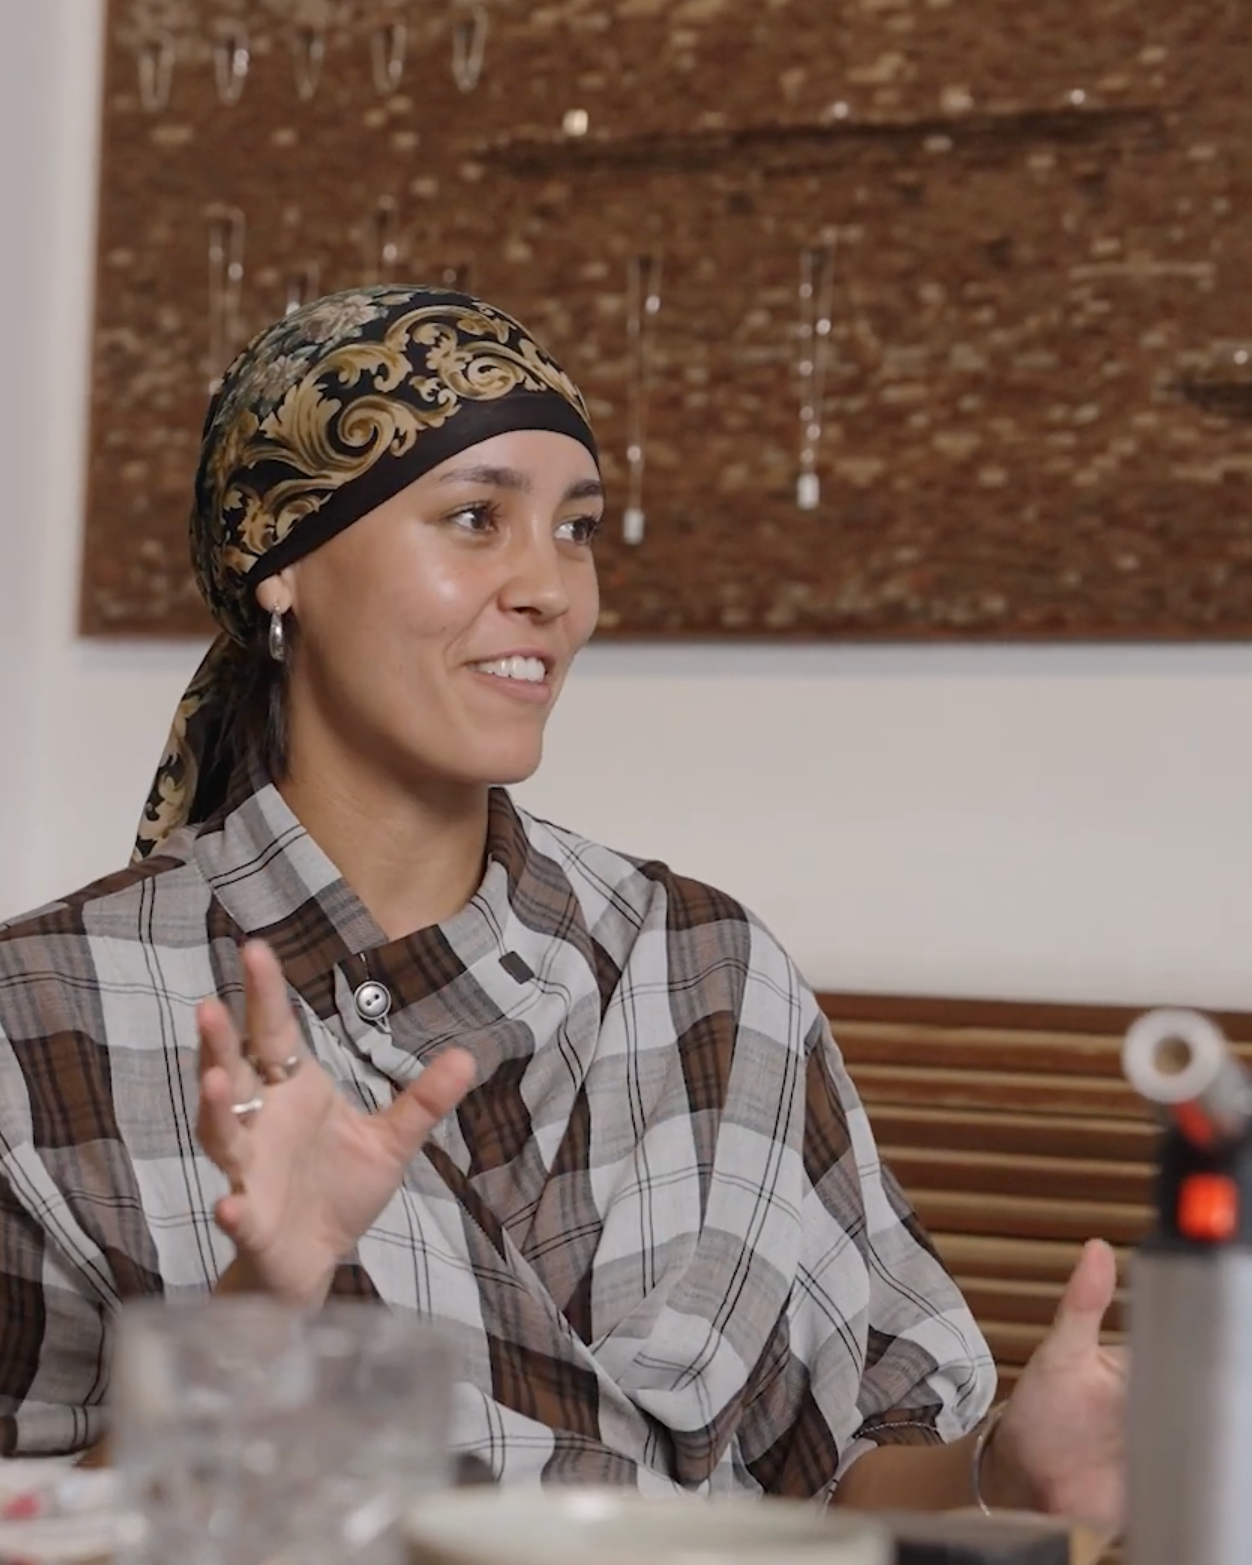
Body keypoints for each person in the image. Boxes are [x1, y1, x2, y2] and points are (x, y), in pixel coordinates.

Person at [0, 285, 1124, 1520]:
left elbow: (852, 1470)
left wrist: (1007, 1466)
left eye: (577, 528)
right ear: (285, 569)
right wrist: (265, 1303)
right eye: (475, 516)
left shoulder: (706, 968)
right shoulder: (46, 1011)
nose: (551, 587)